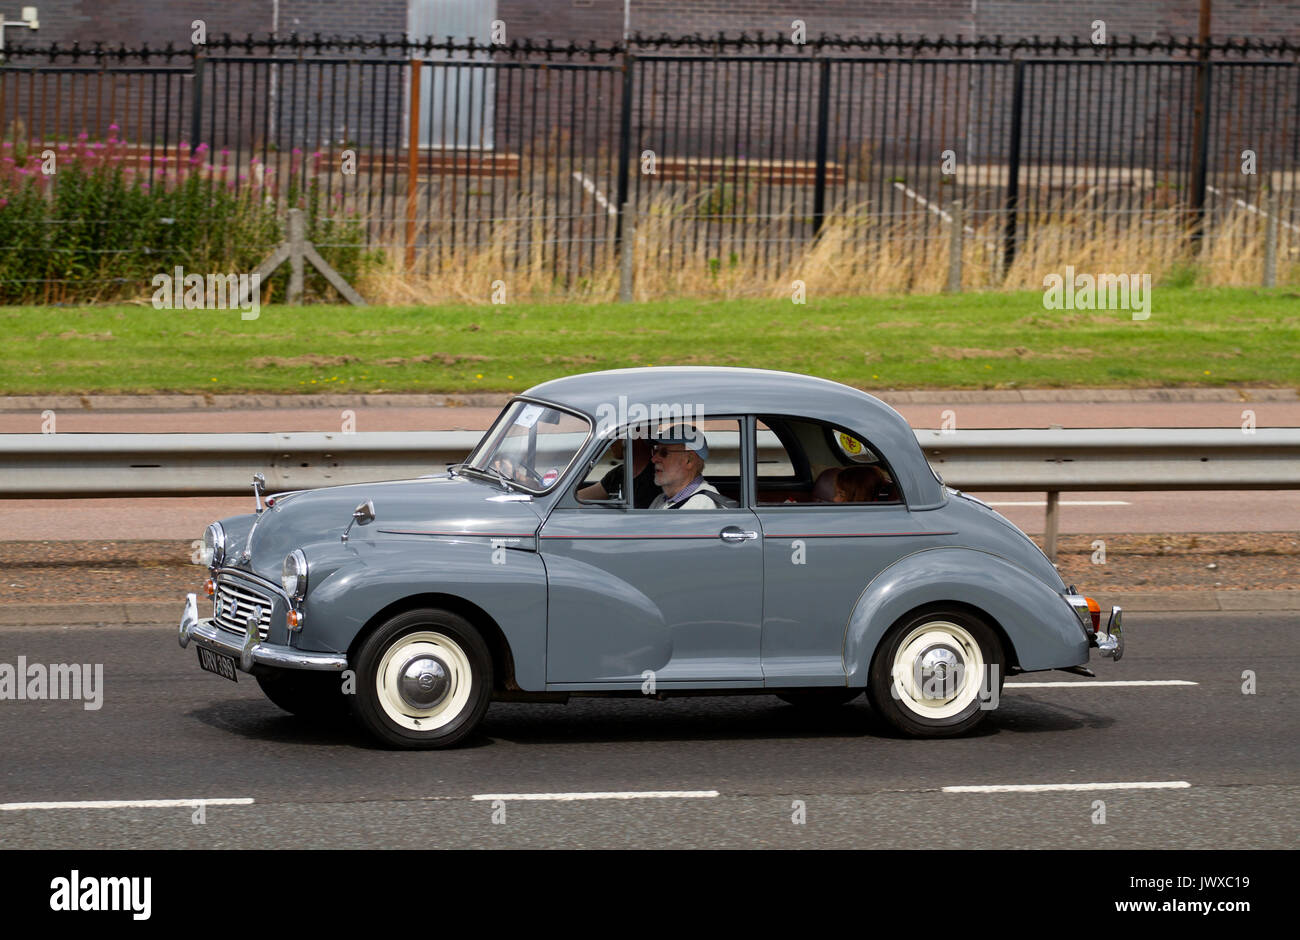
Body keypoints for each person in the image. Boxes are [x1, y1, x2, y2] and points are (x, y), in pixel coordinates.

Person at [647, 425, 728, 509]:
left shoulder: (701, 505)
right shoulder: (660, 499)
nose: (654, 459)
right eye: (655, 451)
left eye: (664, 453)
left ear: (689, 460)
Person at [577, 437, 657, 507]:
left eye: (616, 436)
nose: (610, 441)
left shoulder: (656, 477)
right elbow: (579, 498)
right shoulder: (619, 473)